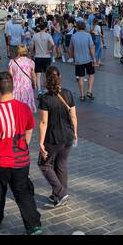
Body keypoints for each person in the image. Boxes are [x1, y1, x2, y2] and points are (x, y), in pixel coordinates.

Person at [0, 72, 43, 235]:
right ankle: (33, 224)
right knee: (23, 192)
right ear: (12, 88)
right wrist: (23, 145)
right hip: (21, 160)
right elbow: (29, 129)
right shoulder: (24, 108)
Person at [37, 67, 77, 208]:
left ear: (45, 79)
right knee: (61, 164)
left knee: (44, 164)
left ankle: (60, 192)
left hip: (53, 138)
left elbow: (43, 122)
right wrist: (75, 133)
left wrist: (41, 142)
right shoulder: (67, 93)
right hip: (68, 136)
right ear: (59, 77)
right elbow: (73, 116)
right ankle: (58, 195)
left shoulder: (45, 99)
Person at [69, 20, 97, 101]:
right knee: (91, 75)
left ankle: (82, 95)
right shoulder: (88, 35)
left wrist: (71, 57)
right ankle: (89, 91)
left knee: (81, 77)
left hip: (78, 60)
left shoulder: (73, 36)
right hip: (88, 59)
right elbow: (92, 47)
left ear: (77, 27)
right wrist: (94, 58)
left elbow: (71, 49)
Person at [8, 45, 37, 112]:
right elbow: (33, 75)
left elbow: (10, 75)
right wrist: (34, 84)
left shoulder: (12, 61)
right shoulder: (30, 62)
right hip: (27, 85)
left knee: (16, 101)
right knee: (26, 101)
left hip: (16, 85)